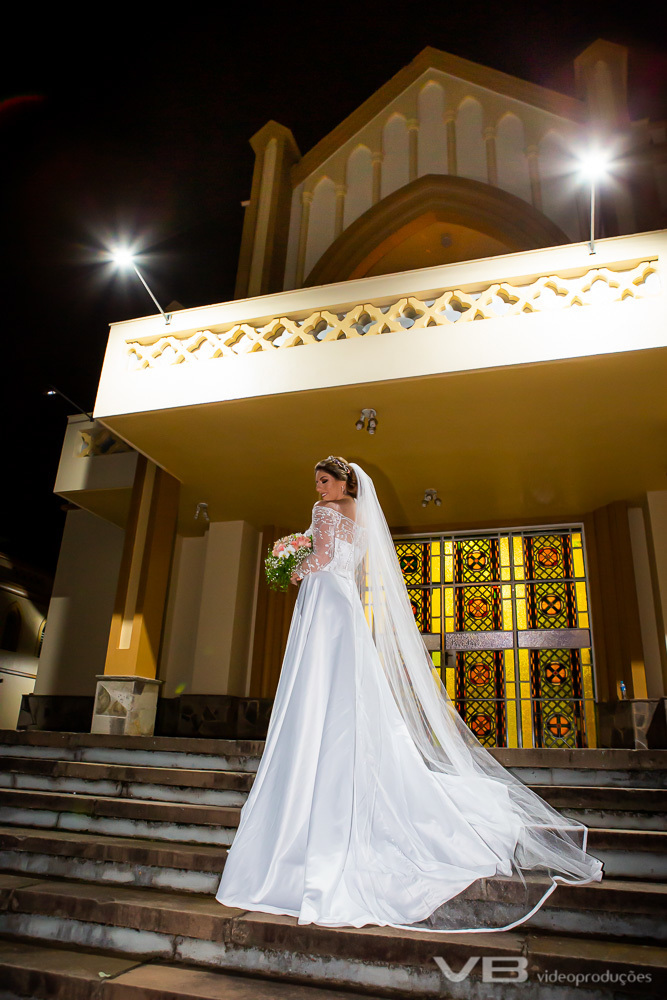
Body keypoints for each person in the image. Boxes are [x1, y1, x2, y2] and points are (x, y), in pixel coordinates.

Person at [216, 456, 603, 932]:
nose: (318, 489)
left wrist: (293, 567)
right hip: (344, 604)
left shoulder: (325, 512)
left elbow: (321, 558)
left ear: (343, 481)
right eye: (316, 483)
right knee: (345, 687)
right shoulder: (360, 515)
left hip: (324, 599)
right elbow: (351, 567)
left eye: (324, 480)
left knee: (315, 684)